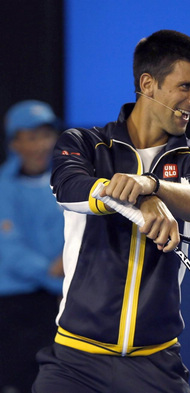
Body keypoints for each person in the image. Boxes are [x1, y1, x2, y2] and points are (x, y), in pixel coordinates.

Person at [32, 30, 190, 393]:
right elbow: (69, 190)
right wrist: (138, 199)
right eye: (185, 87)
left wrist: (151, 186)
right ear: (148, 84)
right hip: (74, 364)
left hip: (157, 366)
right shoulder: (83, 143)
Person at [0, 100, 64, 393]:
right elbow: (9, 249)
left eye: (45, 135)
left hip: (64, 305)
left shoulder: (71, 181)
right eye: (30, 136)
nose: (40, 145)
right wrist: (53, 270)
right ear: (14, 143)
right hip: (14, 309)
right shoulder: (3, 186)